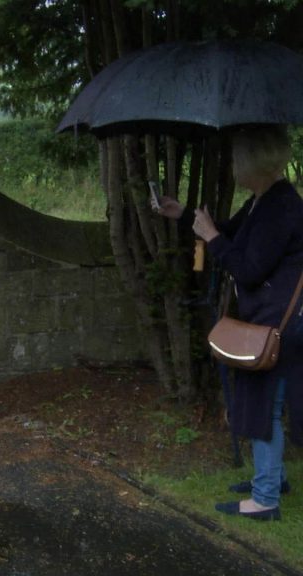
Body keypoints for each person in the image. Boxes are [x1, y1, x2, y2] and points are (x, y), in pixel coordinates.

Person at [157, 125, 303, 521]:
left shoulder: (281, 207)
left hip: (276, 327)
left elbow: (249, 268)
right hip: (270, 321)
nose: (233, 165)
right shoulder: (264, 199)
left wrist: (212, 238)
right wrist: (186, 215)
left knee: (266, 407)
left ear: (254, 161)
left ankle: (265, 498)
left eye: (238, 158)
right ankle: (272, 478)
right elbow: (231, 231)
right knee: (265, 403)